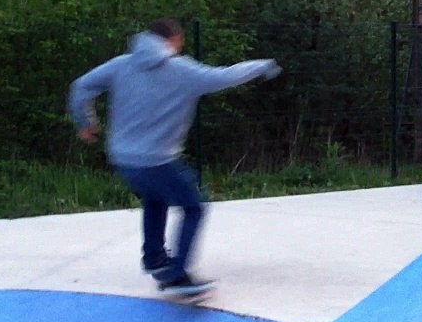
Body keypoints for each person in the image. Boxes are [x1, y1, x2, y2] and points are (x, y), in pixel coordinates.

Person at [69, 19, 281, 295]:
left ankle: (155, 260)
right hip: (156, 159)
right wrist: (261, 66)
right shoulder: (182, 70)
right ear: (173, 40)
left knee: (155, 199)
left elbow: (81, 86)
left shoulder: (121, 65)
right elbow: (225, 76)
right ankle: (176, 277)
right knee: (194, 207)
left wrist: (85, 122)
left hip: (122, 158)